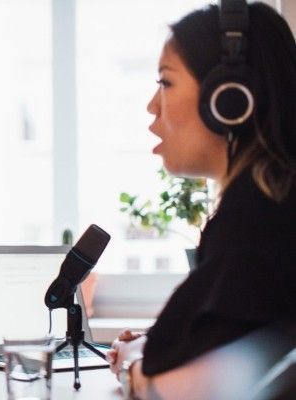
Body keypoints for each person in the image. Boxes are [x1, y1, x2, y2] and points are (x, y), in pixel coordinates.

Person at [106, 2, 296, 399]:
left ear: (229, 99)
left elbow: (178, 390)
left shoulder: (257, 218)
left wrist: (132, 367)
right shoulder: (274, 202)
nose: (151, 106)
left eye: (166, 82)